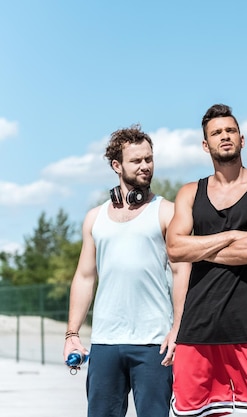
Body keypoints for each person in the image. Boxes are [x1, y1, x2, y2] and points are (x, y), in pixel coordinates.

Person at [166, 103, 247, 417]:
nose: (225, 136)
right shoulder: (190, 193)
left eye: (230, 130)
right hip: (197, 327)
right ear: (205, 145)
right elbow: (175, 250)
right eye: (216, 132)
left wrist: (199, 246)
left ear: (242, 139)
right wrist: (233, 235)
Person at [63, 124, 190, 417]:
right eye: (137, 161)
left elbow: (182, 272)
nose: (145, 166)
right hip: (105, 342)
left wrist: (177, 329)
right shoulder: (94, 218)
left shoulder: (167, 211)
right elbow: (84, 277)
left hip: (154, 343)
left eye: (149, 159)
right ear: (117, 165)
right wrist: (72, 333)